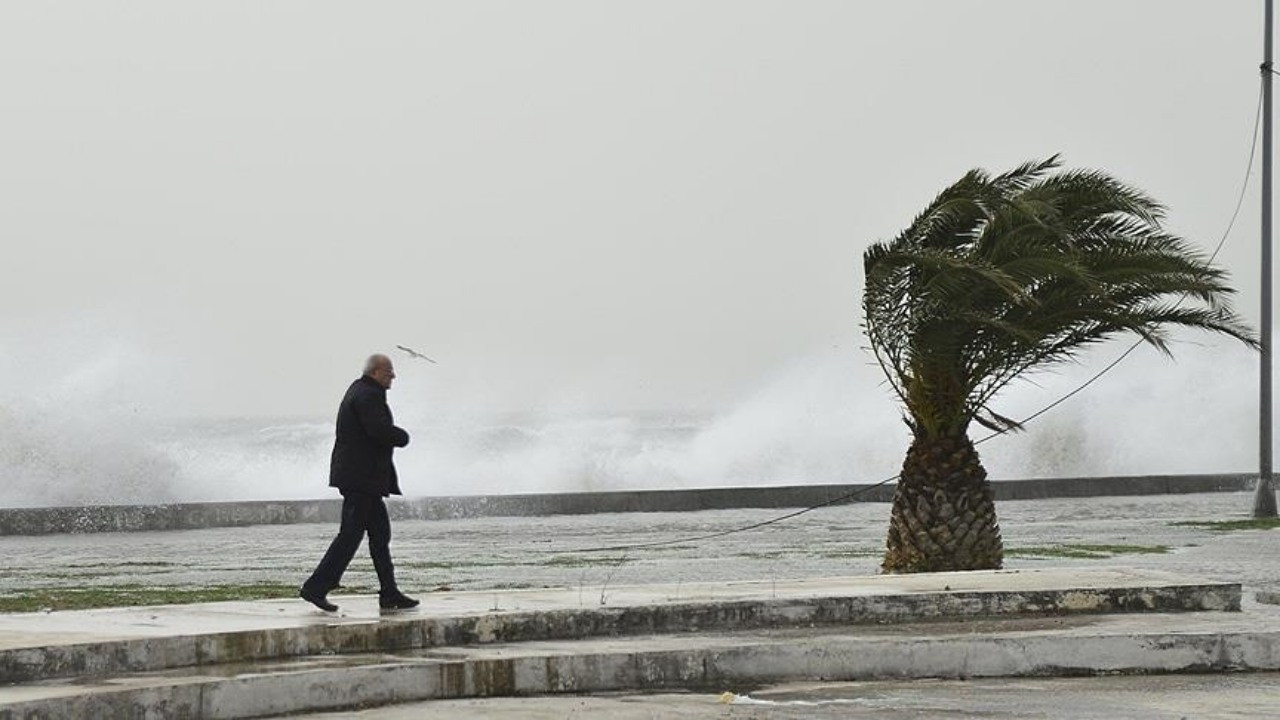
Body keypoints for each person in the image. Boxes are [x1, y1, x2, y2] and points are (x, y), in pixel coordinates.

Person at [300, 354, 419, 612]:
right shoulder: (368, 395)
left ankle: (389, 592)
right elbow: (377, 430)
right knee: (350, 536)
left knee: (379, 536)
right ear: (375, 372)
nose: (393, 376)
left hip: (362, 479)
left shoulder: (360, 390)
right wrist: (401, 436)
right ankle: (315, 587)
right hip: (361, 479)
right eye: (389, 372)